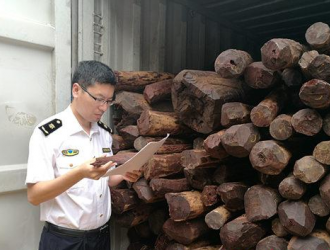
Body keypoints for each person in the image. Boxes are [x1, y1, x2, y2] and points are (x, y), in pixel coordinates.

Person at [25, 60, 140, 250]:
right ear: (76, 90)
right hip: (65, 241)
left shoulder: (103, 132)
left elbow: (103, 179)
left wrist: (123, 173)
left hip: (101, 238)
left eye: (109, 101)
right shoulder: (49, 133)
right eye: (98, 99)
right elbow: (34, 196)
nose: (104, 108)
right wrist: (79, 173)